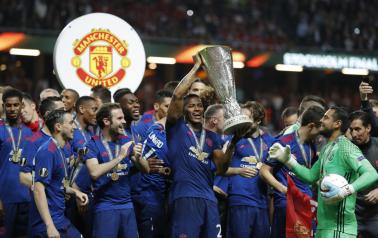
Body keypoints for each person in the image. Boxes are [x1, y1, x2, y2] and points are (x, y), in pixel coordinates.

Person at [269, 106, 378, 237]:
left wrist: (346, 190)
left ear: (337, 124)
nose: (321, 120)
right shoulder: (326, 149)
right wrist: (289, 161)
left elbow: (372, 174)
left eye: (326, 117)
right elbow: (310, 176)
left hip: (340, 228)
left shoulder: (346, 147)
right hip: (323, 227)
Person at [166, 58, 245, 237]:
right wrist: (196, 68)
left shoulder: (212, 137)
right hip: (184, 197)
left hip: (208, 199)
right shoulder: (176, 128)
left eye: (199, 106)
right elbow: (178, 95)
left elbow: (221, 168)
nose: (196, 109)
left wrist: (233, 142)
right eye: (191, 106)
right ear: (183, 111)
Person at [84, 103, 149, 238]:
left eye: (123, 118)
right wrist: (120, 157)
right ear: (106, 121)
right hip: (105, 206)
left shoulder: (127, 141)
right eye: (119, 118)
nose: (124, 122)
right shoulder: (92, 144)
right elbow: (94, 173)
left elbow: (146, 169)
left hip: (127, 205)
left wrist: (138, 157)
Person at [260, 105, 325, 238]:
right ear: (311, 126)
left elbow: (309, 172)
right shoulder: (283, 142)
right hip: (286, 203)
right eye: (320, 128)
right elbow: (264, 171)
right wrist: (283, 189)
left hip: (305, 203)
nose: (321, 133)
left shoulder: (311, 145)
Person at [31, 109, 88, 237]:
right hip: (47, 224)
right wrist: (49, 226)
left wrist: (76, 192)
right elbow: (38, 189)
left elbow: (58, 185)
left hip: (60, 219)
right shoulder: (47, 151)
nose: (74, 127)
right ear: (58, 127)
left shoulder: (61, 149)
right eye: (71, 123)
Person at [227, 101, 275, 238]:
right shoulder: (233, 139)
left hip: (261, 202)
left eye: (246, 118)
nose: (242, 122)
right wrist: (238, 171)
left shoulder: (270, 141)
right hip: (240, 199)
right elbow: (220, 169)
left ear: (258, 120)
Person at [0, 88, 34, 238]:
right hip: (5, 197)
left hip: (26, 197)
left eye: (16, 105)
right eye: (9, 105)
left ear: (21, 105)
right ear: (3, 106)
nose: (12, 109)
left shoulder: (28, 133)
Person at [349, 111, 378, 237]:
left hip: (375, 216)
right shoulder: (347, 150)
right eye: (351, 130)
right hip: (351, 215)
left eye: (358, 129)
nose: (354, 134)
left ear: (368, 128)